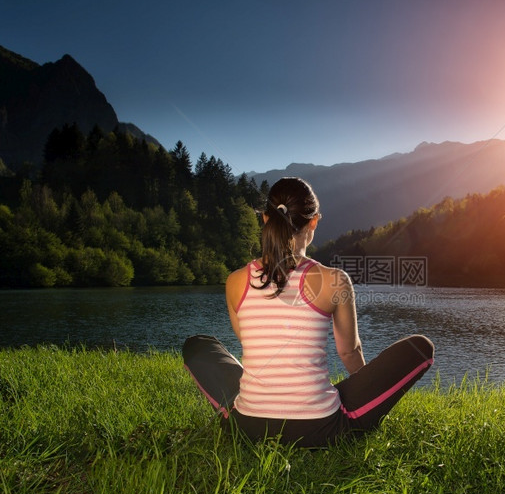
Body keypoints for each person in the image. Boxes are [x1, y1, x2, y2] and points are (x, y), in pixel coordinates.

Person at [183, 177, 434, 448]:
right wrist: (362, 388)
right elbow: (349, 352)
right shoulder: (334, 280)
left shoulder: (235, 281)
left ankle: (253, 404)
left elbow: (251, 343)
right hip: (323, 430)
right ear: (314, 221)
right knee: (421, 347)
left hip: (246, 428)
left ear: (266, 218)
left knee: (197, 345)